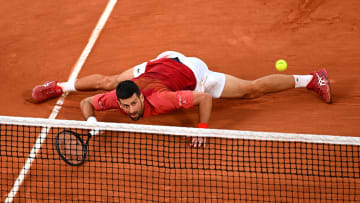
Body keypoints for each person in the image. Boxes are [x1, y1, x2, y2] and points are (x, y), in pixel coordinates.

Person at [32, 51, 332, 147]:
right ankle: (57, 86)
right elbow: (89, 102)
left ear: (139, 97)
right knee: (110, 79)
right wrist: (92, 120)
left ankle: (312, 79)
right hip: (161, 63)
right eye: (126, 106)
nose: (130, 110)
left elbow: (203, 98)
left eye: (132, 104)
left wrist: (200, 129)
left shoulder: (162, 101)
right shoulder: (118, 97)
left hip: (193, 72)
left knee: (250, 90)